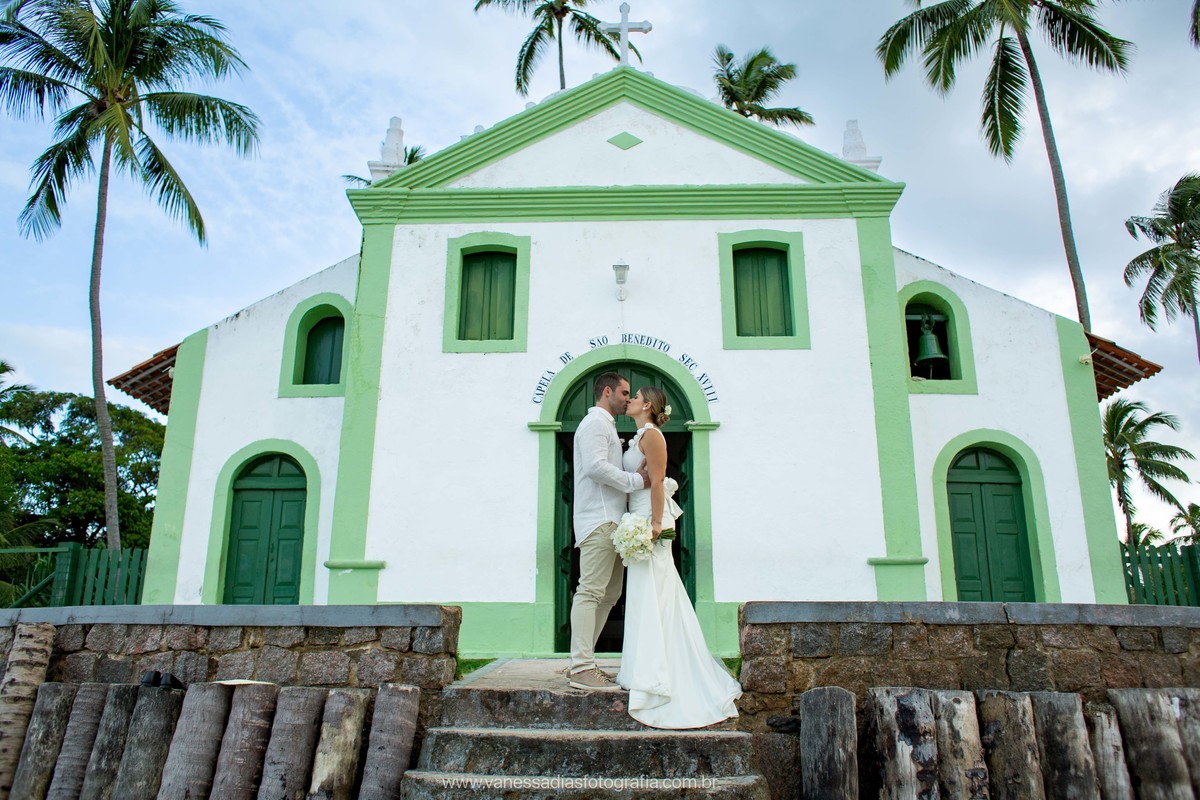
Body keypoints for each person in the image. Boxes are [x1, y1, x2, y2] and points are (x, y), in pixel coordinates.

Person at [616, 386, 742, 728]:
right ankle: (648, 667)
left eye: (635, 397)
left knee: (657, 595)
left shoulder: (653, 436)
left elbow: (657, 482)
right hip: (638, 516)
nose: (629, 400)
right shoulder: (640, 435)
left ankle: (662, 675)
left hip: (650, 521)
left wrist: (655, 524)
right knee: (648, 595)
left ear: (649, 406)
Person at [568, 372, 649, 691]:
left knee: (610, 594)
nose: (628, 399)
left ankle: (584, 661)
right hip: (598, 519)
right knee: (589, 590)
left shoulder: (608, 426)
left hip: (614, 521)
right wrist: (636, 482)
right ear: (606, 391)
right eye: (624, 392)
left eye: (631, 394)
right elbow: (595, 467)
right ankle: (581, 667)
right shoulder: (595, 424)